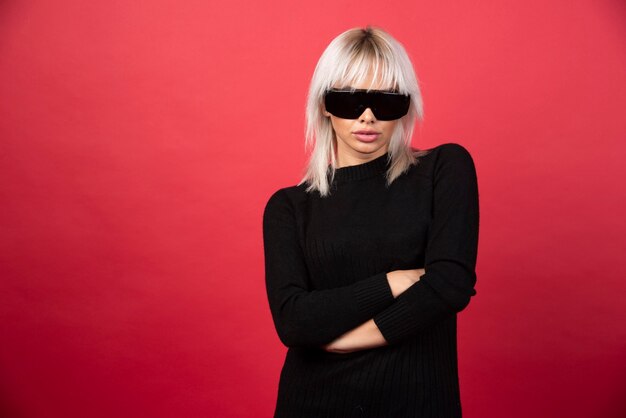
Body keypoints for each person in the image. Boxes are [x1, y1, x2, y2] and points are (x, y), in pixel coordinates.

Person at [262, 26, 479, 418]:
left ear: (407, 106)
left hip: (419, 403)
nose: (368, 116)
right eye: (349, 100)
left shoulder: (444, 169)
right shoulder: (289, 208)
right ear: (325, 105)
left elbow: (450, 286)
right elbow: (293, 322)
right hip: (314, 403)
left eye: (387, 101)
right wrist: (393, 282)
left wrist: (345, 341)